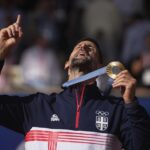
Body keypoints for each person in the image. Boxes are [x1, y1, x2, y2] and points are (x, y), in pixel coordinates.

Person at [0, 15, 150, 150]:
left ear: (100, 67)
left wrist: (131, 104)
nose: (83, 47)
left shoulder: (117, 110)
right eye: (78, 47)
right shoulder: (37, 107)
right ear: (66, 64)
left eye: (90, 48)